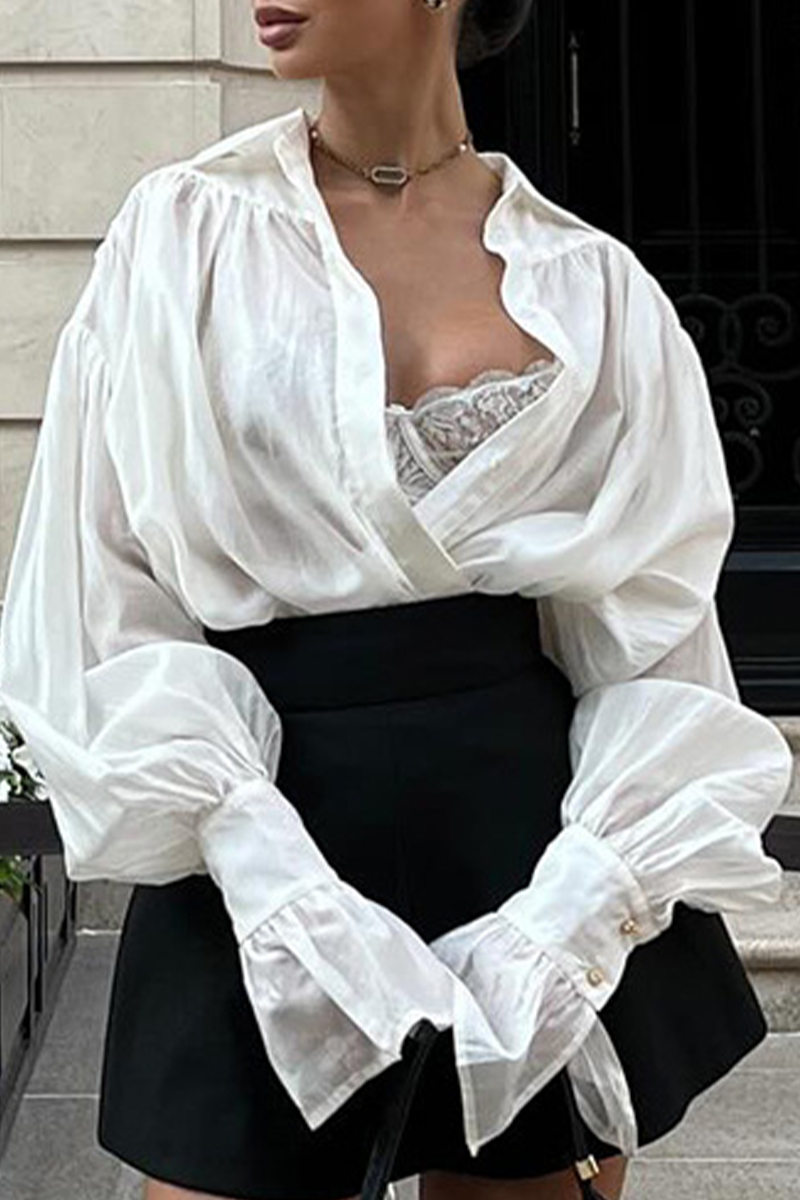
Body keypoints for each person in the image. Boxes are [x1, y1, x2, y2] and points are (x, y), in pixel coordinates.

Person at [0, 1, 793, 1198]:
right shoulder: (181, 235)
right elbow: (100, 584)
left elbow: (650, 635)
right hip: (254, 835)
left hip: (526, 839)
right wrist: (269, 877)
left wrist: (568, 917)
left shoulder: (594, 288)